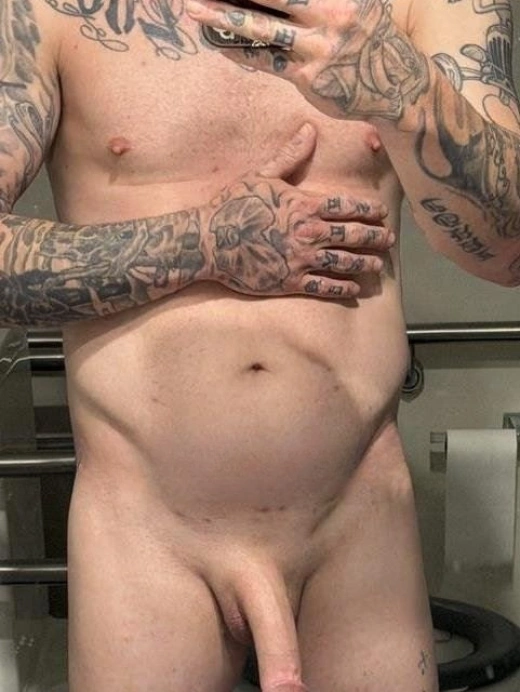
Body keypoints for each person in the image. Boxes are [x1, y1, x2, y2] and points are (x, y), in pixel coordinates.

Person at [0, 1, 518, 691]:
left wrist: (408, 94)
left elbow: (510, 249)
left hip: (356, 515)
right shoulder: (49, 10)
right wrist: (203, 244)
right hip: (146, 528)